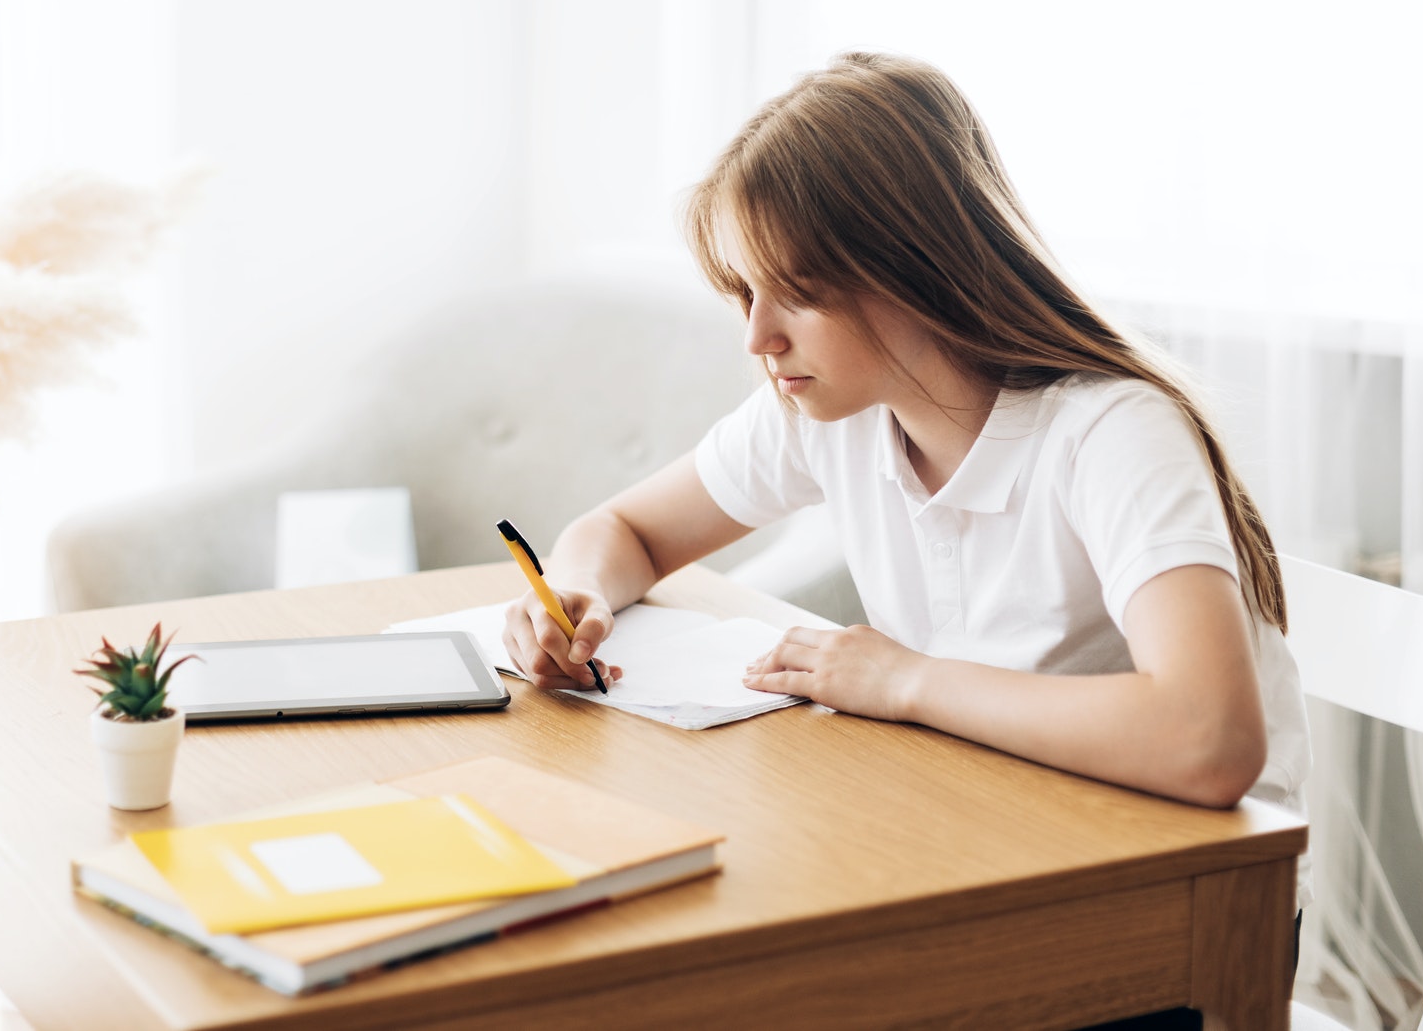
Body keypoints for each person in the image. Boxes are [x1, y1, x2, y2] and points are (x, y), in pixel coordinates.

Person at [501, 52, 1307, 1025]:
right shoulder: (824, 414)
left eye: (793, 291)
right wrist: (577, 595)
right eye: (742, 292)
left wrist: (904, 681)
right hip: (980, 837)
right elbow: (619, 529)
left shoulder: (1107, 434)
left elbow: (1208, 740)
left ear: (913, 271)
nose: (756, 336)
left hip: (1159, 915)